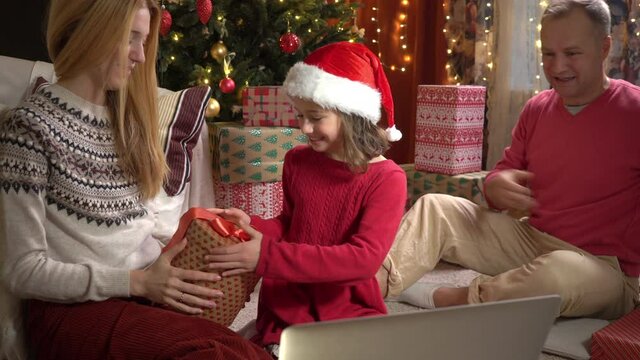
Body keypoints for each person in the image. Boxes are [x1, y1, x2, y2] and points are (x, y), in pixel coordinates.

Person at [0, 1, 270, 359]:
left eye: (144, 42)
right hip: (70, 313)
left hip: (140, 296)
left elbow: (134, 232)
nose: (141, 56)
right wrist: (137, 282)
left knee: (246, 351)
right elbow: (22, 271)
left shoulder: (126, 124)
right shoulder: (27, 129)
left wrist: (200, 232)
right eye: (131, 39)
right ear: (90, 33)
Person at [383, 0, 639, 321]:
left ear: (604, 48)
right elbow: (501, 176)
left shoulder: (633, 111)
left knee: (559, 273)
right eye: (548, 54)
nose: (557, 67)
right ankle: (369, 286)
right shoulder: (537, 108)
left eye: (572, 54)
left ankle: (459, 298)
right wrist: (496, 184)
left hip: (604, 269)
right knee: (437, 207)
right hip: (530, 241)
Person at [205, 41, 407, 356]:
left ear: (352, 115)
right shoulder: (298, 160)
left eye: (315, 117)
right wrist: (253, 225)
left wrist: (266, 256)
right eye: (300, 115)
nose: (304, 127)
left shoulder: (387, 179)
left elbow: (363, 260)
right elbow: (290, 225)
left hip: (346, 309)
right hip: (290, 305)